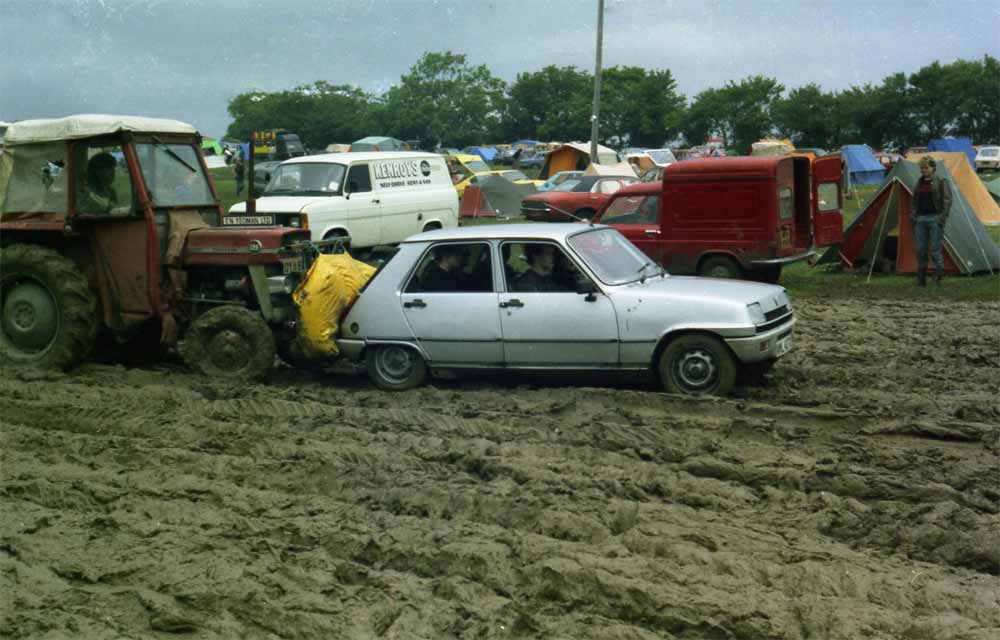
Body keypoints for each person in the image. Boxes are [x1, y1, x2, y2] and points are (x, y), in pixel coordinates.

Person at [909, 156, 952, 286]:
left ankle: (936, 278)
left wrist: (941, 217)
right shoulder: (919, 182)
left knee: (935, 249)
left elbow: (947, 200)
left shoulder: (941, 181)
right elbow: (913, 201)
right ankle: (921, 279)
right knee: (920, 249)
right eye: (921, 168)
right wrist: (913, 216)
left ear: (933, 168)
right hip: (920, 219)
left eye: (926, 167)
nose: (923, 170)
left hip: (935, 218)